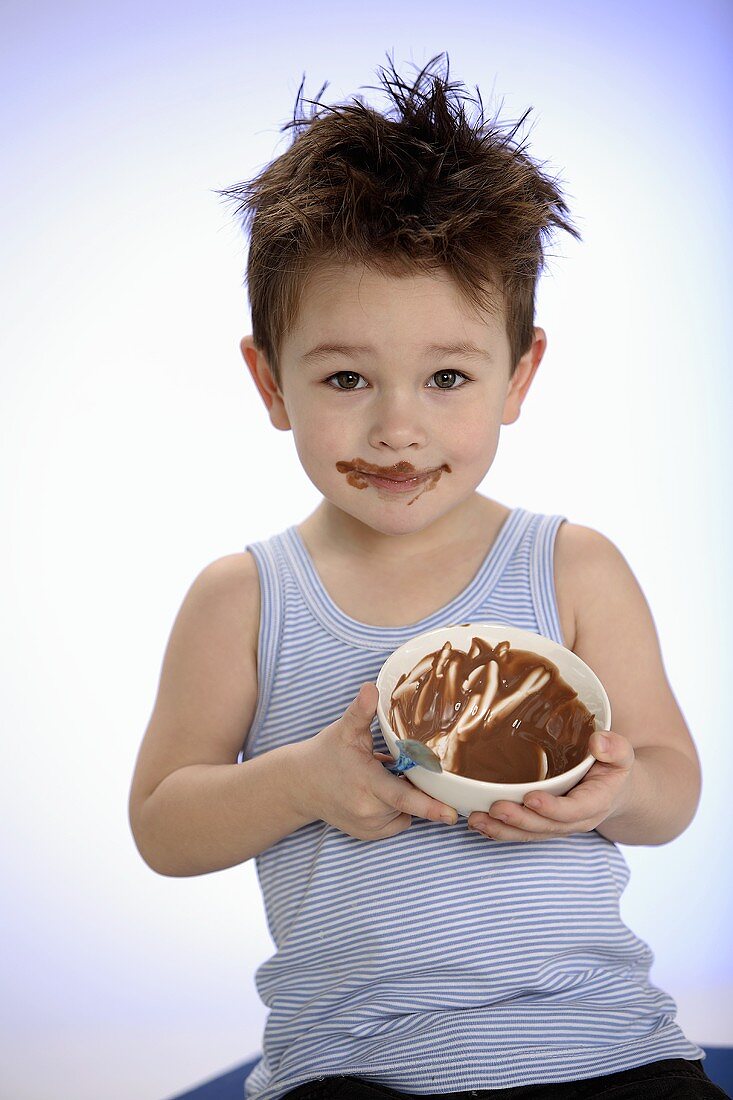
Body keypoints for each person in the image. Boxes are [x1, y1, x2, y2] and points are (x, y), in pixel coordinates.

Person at [128, 55, 728, 1100]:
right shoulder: (245, 598)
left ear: (519, 375)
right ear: (270, 380)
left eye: (447, 376)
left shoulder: (571, 565)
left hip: (602, 1042)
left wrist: (609, 792)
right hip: (357, 1061)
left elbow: (672, 785)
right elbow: (163, 824)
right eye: (346, 376)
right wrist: (303, 780)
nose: (396, 426)